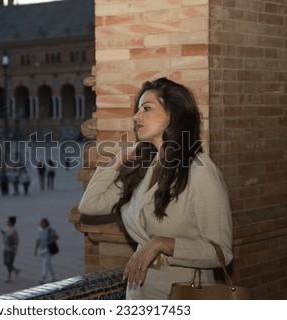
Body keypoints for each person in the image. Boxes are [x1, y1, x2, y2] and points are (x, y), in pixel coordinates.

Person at [78, 77, 233, 299]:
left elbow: (222, 253)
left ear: (173, 115)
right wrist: (120, 158)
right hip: (139, 296)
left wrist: (161, 244)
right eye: (138, 109)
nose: (136, 116)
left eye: (146, 108)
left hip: (183, 295)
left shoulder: (199, 170)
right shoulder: (142, 170)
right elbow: (89, 205)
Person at [34, 218, 58, 284]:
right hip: (42, 250)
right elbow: (37, 241)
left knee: (45, 263)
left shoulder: (50, 230)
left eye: (44, 223)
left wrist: (52, 240)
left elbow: (57, 237)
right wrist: (35, 250)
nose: (42, 224)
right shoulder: (39, 231)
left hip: (49, 250)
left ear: (47, 223)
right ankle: (53, 276)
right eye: (42, 223)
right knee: (48, 263)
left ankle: (43, 278)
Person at [0, 216, 20, 282]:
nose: (6, 222)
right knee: (6, 262)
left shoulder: (14, 231)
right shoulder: (6, 228)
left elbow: (16, 241)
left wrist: (14, 249)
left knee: (10, 262)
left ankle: (9, 277)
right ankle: (16, 270)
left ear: (11, 222)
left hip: (11, 249)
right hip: (5, 247)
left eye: (8, 221)